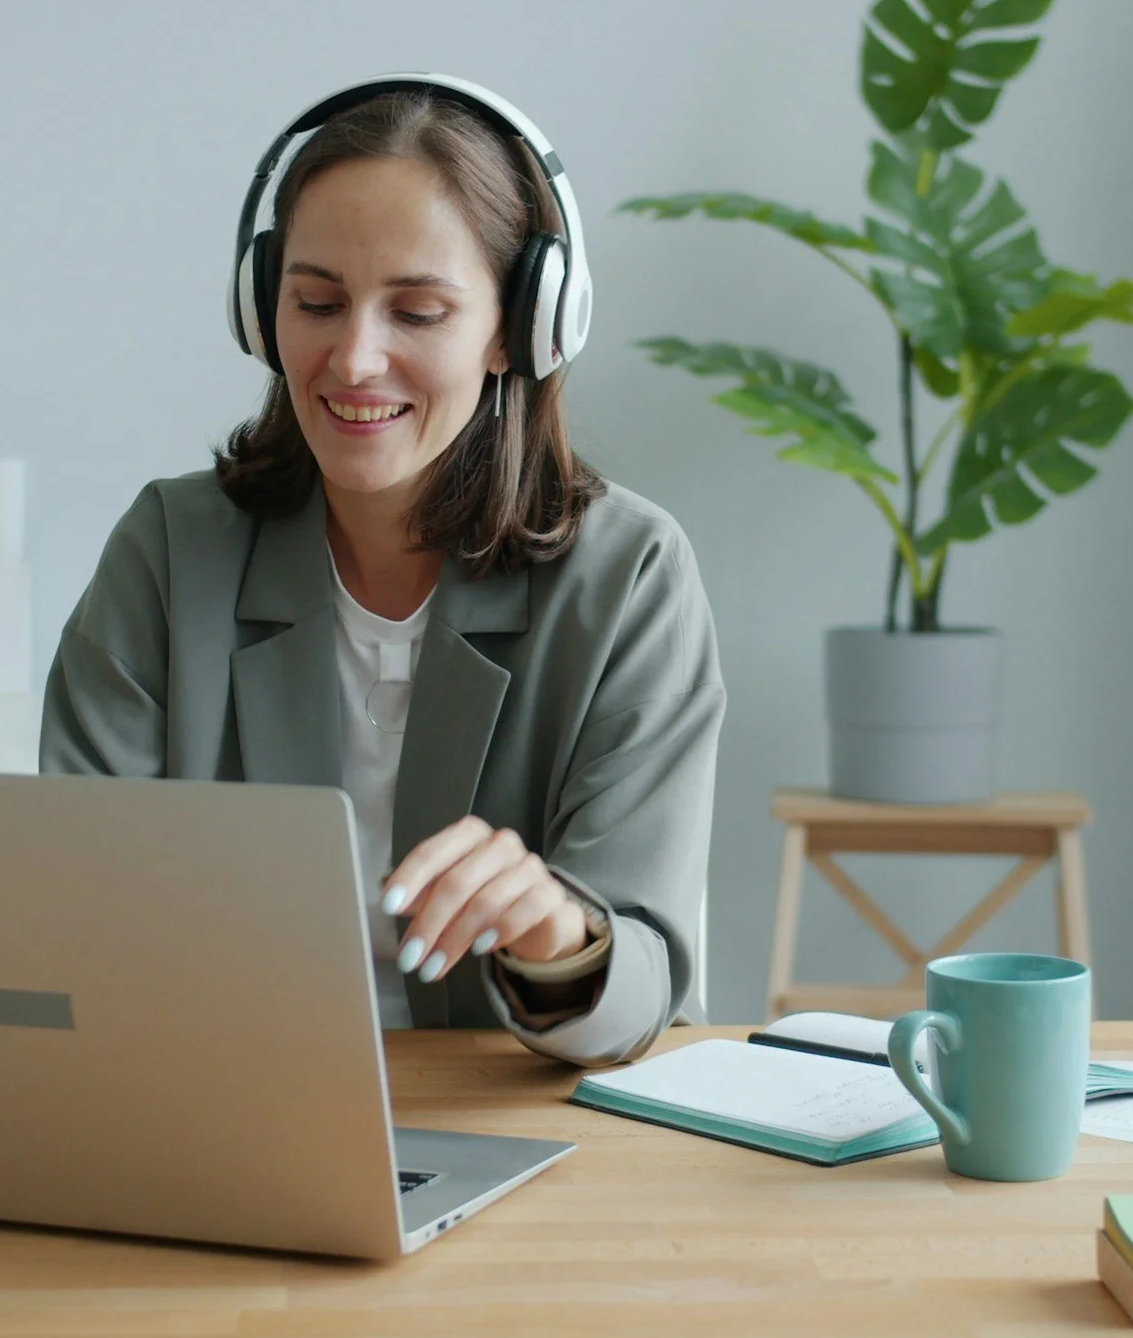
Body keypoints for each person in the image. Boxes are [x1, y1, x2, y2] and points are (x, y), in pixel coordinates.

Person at [39, 75, 722, 1066]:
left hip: (520, 1121)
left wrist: (556, 933)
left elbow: (645, 979)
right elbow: (74, 904)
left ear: (516, 326)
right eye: (316, 300)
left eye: (416, 311)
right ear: (260, 304)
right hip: (229, 1108)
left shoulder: (627, 578)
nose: (353, 358)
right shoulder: (168, 552)